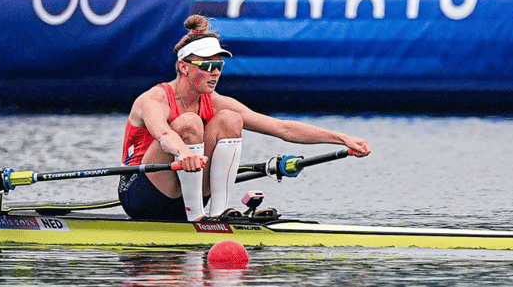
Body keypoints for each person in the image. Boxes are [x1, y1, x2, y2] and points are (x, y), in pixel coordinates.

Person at [119, 14, 371, 222]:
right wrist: (184, 152)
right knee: (189, 123)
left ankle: (218, 213)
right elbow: (164, 135)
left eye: (219, 65)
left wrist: (341, 138)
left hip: (187, 192)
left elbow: (282, 128)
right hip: (143, 195)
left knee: (231, 119)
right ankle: (197, 218)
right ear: (184, 67)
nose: (215, 72)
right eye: (207, 66)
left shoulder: (216, 101)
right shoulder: (153, 99)